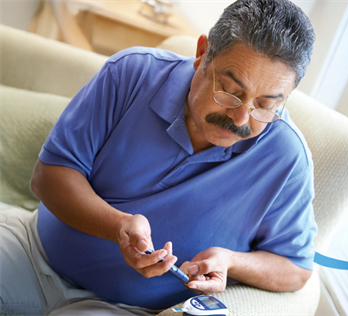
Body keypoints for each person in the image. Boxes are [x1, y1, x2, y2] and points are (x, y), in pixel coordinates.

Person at [0, 0, 317, 315]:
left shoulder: (286, 158)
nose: (240, 118)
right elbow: (48, 175)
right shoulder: (130, 73)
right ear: (202, 53)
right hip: (31, 251)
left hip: (125, 309)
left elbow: (296, 269)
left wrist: (231, 261)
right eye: (230, 91)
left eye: (265, 105)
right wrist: (118, 226)